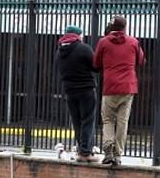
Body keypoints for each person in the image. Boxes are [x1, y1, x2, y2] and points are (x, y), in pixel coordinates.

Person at [93, 16, 145, 165]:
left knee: (108, 119)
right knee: (123, 121)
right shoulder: (133, 42)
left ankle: (108, 150)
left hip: (110, 86)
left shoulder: (103, 42)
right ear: (125, 27)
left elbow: (95, 63)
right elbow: (142, 61)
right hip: (128, 87)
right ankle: (118, 155)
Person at [55, 25, 99, 162]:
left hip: (70, 91)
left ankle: (82, 149)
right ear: (78, 35)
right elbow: (96, 66)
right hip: (86, 90)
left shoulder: (59, 51)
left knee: (77, 121)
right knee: (87, 120)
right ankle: (85, 153)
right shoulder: (83, 48)